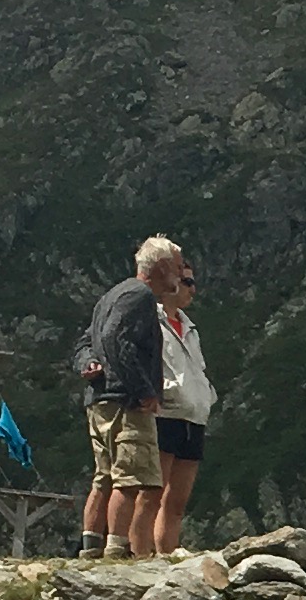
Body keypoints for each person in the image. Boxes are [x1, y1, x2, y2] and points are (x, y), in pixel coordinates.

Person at [77, 235, 180, 561]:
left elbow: (86, 343)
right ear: (161, 267)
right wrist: (144, 391)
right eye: (177, 267)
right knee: (132, 478)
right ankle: (117, 549)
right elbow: (115, 338)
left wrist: (88, 364)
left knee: (104, 477)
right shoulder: (140, 296)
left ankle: (91, 547)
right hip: (127, 403)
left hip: (100, 399)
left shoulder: (111, 296)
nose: (180, 274)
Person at [154, 252, 215, 552]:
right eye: (187, 282)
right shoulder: (152, 321)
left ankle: (167, 553)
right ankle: (143, 554)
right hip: (166, 413)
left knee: (177, 501)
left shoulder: (190, 328)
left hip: (194, 415)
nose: (193, 289)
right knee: (154, 493)